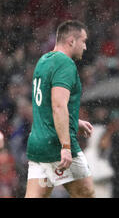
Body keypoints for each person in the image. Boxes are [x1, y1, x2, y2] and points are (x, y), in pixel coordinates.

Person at [25, 20, 95, 198]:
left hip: (37, 143)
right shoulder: (65, 64)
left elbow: (44, 105)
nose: (85, 47)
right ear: (71, 41)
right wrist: (65, 146)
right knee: (86, 194)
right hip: (56, 144)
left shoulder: (43, 60)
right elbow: (57, 105)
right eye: (83, 41)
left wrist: (73, 121)